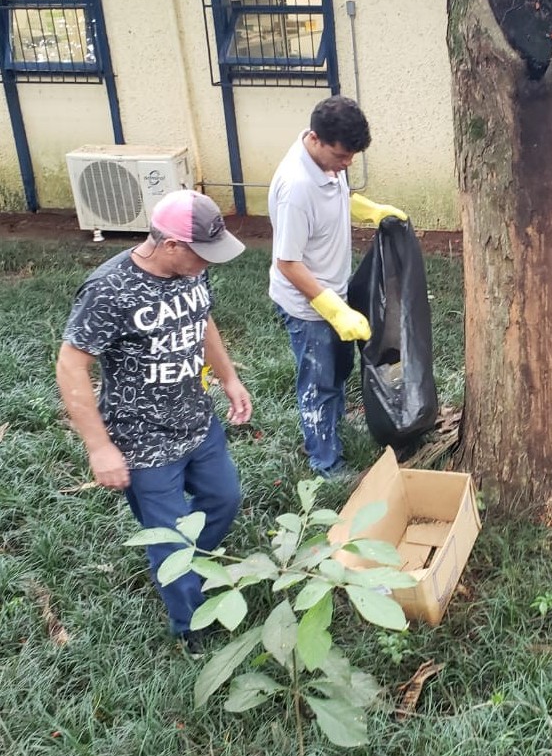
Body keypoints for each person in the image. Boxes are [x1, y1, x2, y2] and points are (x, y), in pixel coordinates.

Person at [56, 189, 252, 657]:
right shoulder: (109, 290)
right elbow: (70, 364)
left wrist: (229, 378)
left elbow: (202, 321)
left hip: (197, 422)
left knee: (225, 498)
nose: (208, 264)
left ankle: (186, 565)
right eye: (201, 254)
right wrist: (99, 448)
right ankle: (191, 628)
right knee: (172, 539)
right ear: (169, 245)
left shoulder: (190, 273)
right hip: (142, 442)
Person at [268, 95, 407, 478]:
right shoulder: (296, 188)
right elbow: (287, 262)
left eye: (351, 157)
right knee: (319, 382)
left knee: (339, 369)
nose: (346, 165)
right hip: (307, 305)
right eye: (342, 156)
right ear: (315, 139)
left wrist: (370, 211)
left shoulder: (327, 164)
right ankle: (324, 460)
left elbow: (338, 197)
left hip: (334, 289)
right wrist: (332, 309)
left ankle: (333, 427)